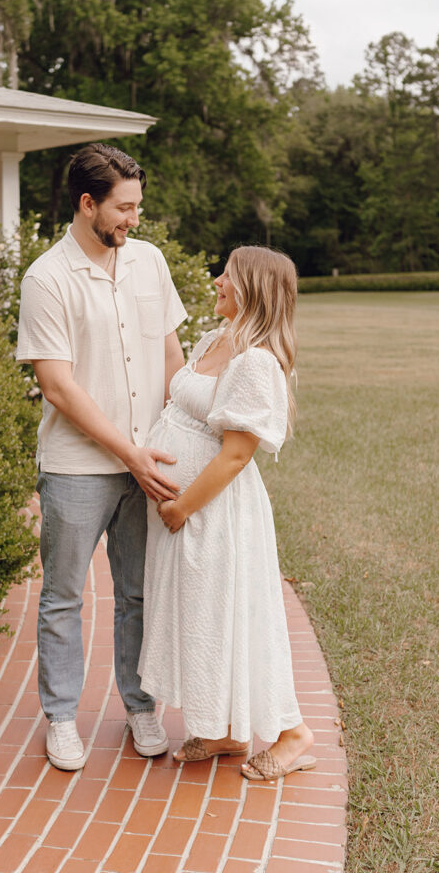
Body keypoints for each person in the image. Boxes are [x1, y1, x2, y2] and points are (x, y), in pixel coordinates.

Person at [16, 142, 187, 771]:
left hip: (150, 461)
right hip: (76, 469)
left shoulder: (149, 262)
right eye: (124, 208)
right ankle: (61, 717)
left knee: (139, 593)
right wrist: (129, 454)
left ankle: (140, 706)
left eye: (138, 207)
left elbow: (172, 358)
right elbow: (58, 386)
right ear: (88, 204)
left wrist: (181, 444)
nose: (134, 220)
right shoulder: (46, 278)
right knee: (64, 596)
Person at [137, 245, 316, 780]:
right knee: (205, 619)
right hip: (188, 515)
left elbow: (238, 454)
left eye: (228, 276)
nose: (217, 280)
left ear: (252, 290)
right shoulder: (217, 339)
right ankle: (224, 730)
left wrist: (181, 508)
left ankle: (291, 734)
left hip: (213, 516)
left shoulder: (256, 362)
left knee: (238, 617)